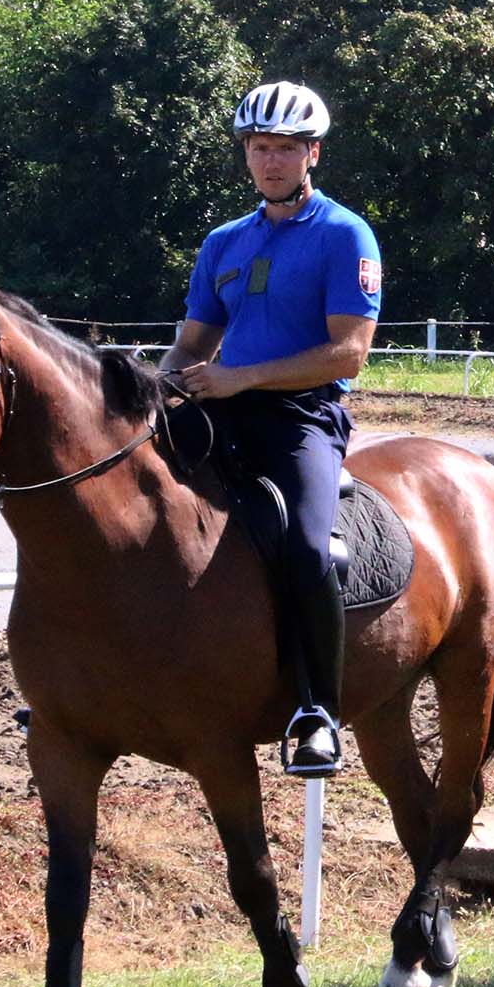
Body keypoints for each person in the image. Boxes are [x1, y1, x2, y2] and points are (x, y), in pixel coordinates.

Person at [163, 82, 385, 775]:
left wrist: (241, 377)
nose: (271, 161)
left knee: (308, 550)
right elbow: (192, 344)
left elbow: (349, 351)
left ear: (311, 153)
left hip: (302, 419)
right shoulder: (224, 241)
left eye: (286, 148)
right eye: (260, 148)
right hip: (221, 409)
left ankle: (318, 711)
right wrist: (154, 389)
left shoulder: (346, 234)